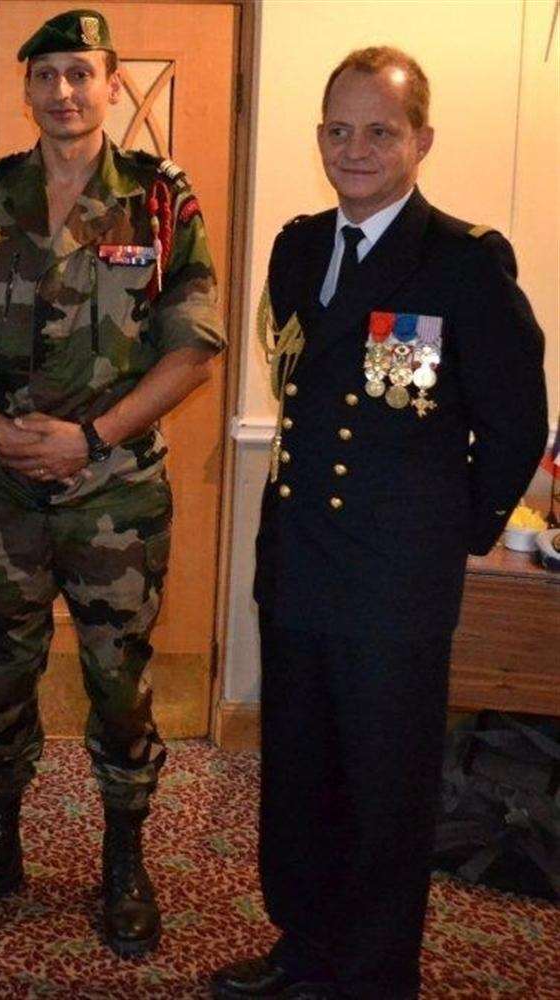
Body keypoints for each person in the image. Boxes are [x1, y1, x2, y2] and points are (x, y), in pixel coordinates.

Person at [210, 47, 547, 1000]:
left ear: (421, 141)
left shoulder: (463, 263)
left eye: (380, 131)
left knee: (386, 792)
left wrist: (448, 535)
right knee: (301, 777)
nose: (355, 148)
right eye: (338, 129)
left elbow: (516, 421)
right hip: (302, 567)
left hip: (396, 583)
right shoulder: (298, 245)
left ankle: (372, 974)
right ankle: (304, 949)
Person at [0, 8, 225, 955]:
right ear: (28, 89)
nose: (64, 91)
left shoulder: (160, 203)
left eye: (81, 74)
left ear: (110, 86)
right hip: (5, 491)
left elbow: (195, 353)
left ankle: (123, 857)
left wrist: (88, 438)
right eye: (47, 74)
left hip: (114, 495)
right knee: (2, 672)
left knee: (119, 681)